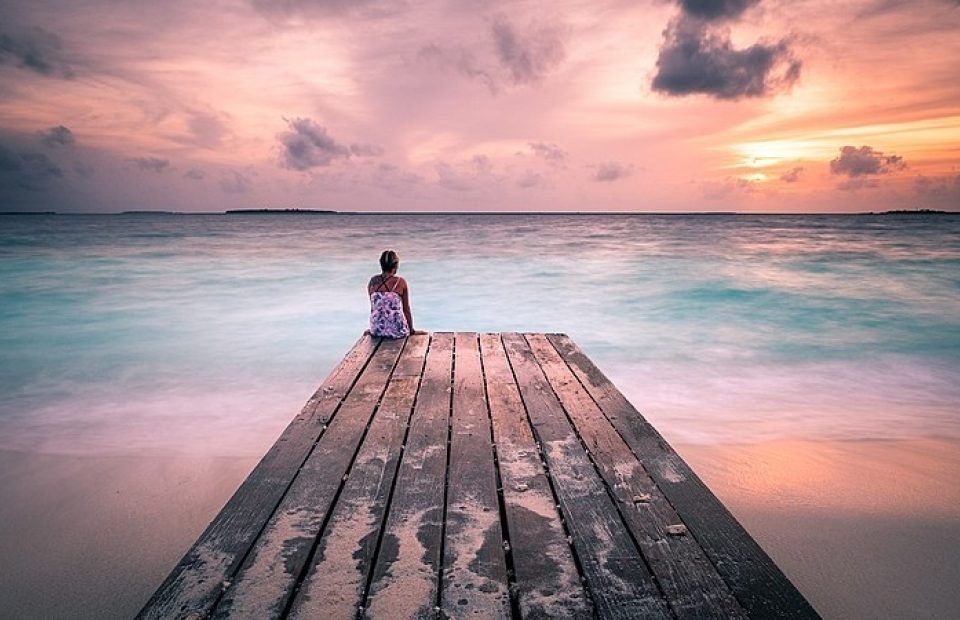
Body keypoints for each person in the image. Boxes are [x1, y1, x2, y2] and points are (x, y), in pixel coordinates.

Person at [367, 250, 426, 338]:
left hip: (377, 330)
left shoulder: (373, 282)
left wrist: (372, 328)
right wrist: (411, 330)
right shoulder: (400, 282)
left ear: (381, 264)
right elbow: (406, 309)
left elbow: (374, 309)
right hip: (397, 331)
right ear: (395, 265)